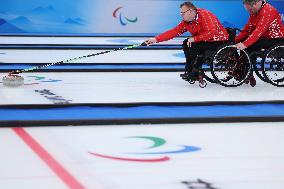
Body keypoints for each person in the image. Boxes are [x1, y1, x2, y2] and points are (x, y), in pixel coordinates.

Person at [144, 1, 229, 80]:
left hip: (218, 41)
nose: (181, 15)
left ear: (191, 11)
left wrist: (195, 39)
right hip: (205, 40)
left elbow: (212, 32)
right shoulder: (187, 21)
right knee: (186, 43)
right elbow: (174, 31)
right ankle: (190, 69)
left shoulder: (206, 15)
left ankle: (195, 71)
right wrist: (156, 39)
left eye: (183, 13)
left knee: (193, 44)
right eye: (181, 13)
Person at [235, 0, 284, 87]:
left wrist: (245, 44)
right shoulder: (256, 10)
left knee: (250, 45)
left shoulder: (268, 10)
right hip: (265, 36)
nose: (250, 12)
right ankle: (245, 71)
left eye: (250, 10)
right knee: (246, 42)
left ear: (256, 3)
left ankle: (246, 72)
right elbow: (248, 28)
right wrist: (235, 40)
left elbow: (259, 31)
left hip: (276, 38)